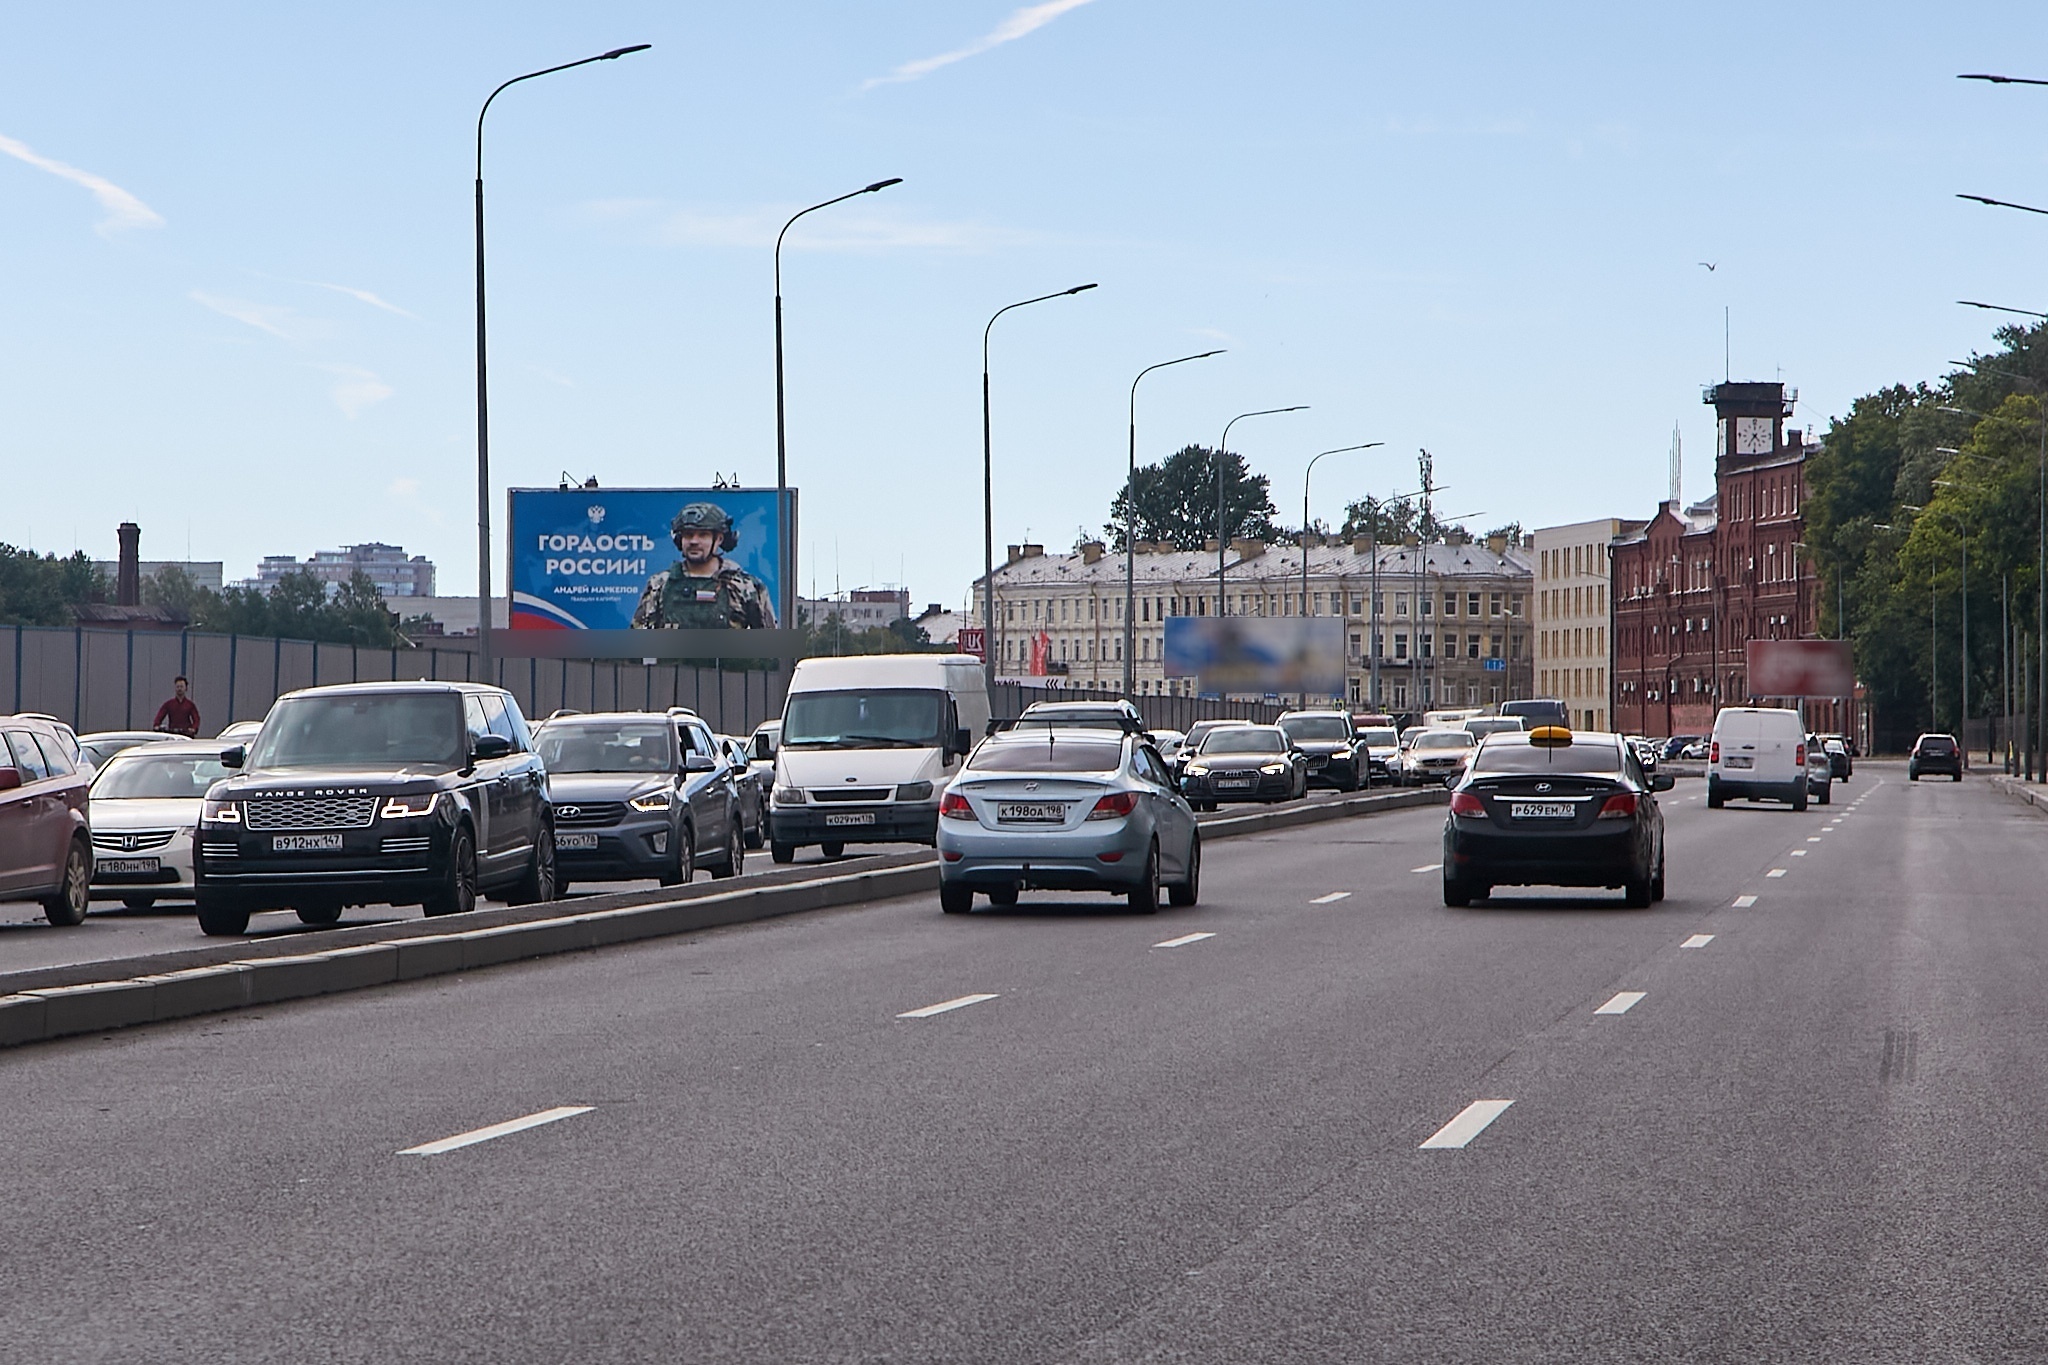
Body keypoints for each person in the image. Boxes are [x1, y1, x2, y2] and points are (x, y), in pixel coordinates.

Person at [630, 502, 779, 630]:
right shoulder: (659, 585)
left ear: (719, 539)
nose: (694, 541)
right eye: (688, 534)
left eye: (703, 535)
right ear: (680, 539)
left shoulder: (746, 587)